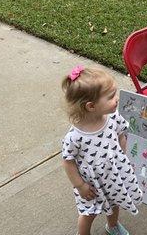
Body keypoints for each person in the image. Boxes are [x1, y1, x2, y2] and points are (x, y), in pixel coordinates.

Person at [61, 66, 142, 235]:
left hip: (112, 175)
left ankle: (112, 226)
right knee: (88, 214)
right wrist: (80, 186)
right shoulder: (75, 136)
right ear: (91, 106)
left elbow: (121, 135)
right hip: (91, 184)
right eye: (111, 96)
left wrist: (121, 158)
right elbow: (68, 162)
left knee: (114, 203)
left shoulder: (112, 117)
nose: (117, 99)